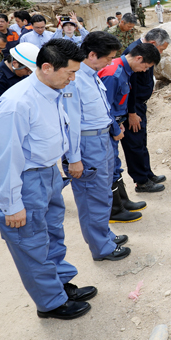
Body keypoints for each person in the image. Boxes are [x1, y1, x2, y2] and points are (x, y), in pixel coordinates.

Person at [0, 39, 95, 320]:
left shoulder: (53, 91)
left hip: (47, 174)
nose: (73, 79)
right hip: (25, 182)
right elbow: (6, 159)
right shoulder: (17, 103)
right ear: (47, 67)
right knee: (31, 243)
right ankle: (50, 303)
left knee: (51, 236)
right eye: (69, 73)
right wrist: (11, 204)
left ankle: (61, 286)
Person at [63, 31, 133, 260]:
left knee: (102, 193)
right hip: (86, 143)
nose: (111, 62)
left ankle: (104, 235)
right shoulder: (74, 80)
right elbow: (70, 123)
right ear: (92, 55)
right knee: (90, 196)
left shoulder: (91, 75)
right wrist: (74, 158)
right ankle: (101, 248)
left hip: (101, 139)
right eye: (108, 57)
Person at [98, 43, 161, 223]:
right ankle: (114, 210)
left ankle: (122, 202)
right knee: (109, 167)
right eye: (145, 67)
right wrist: (116, 128)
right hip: (108, 128)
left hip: (116, 124)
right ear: (139, 58)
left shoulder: (124, 71)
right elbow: (104, 108)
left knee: (115, 165)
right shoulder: (113, 73)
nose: (144, 71)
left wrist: (121, 121)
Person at [121, 29, 170, 194]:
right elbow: (129, 88)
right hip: (132, 107)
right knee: (134, 144)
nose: (161, 52)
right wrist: (132, 112)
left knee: (141, 142)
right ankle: (141, 181)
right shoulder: (133, 53)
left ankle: (147, 173)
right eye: (161, 49)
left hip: (139, 105)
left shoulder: (144, 52)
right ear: (153, 43)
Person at [0, 43, 39, 134]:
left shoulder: (20, 73)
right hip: (3, 124)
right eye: (27, 70)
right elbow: (3, 109)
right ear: (15, 64)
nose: (28, 74)